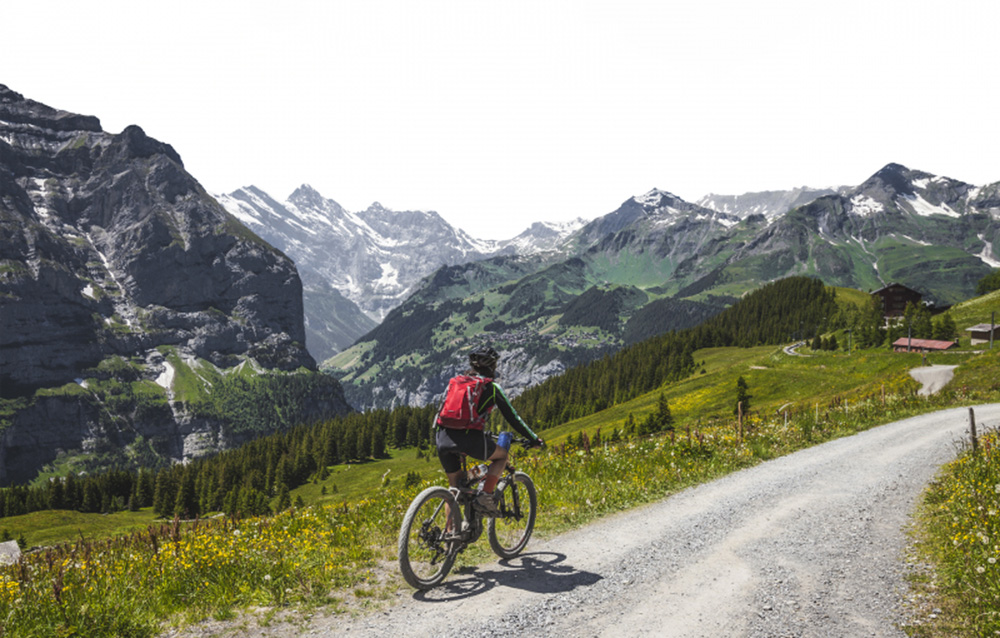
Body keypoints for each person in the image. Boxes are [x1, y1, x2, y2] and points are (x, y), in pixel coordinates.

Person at [435, 345, 543, 516]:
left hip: (442, 437)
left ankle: (450, 537)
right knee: (501, 456)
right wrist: (534, 439)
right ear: (492, 366)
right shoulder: (491, 387)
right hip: (469, 439)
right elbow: (513, 417)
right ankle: (485, 496)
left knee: (454, 488)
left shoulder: (457, 382)